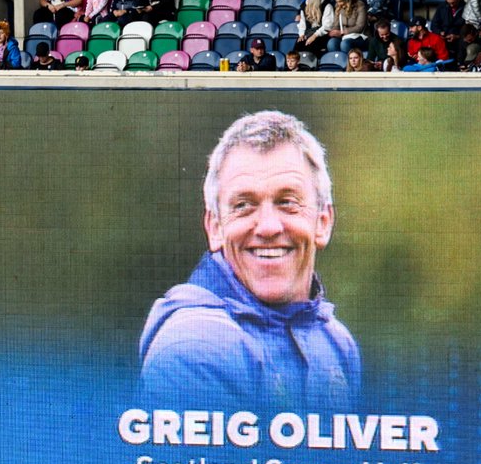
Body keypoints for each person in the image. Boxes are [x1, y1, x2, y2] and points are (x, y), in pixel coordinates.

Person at [138, 111, 360, 412]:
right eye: (243, 206)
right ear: (215, 227)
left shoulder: (337, 342)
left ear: (323, 222)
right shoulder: (195, 348)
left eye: (287, 202)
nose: (268, 226)